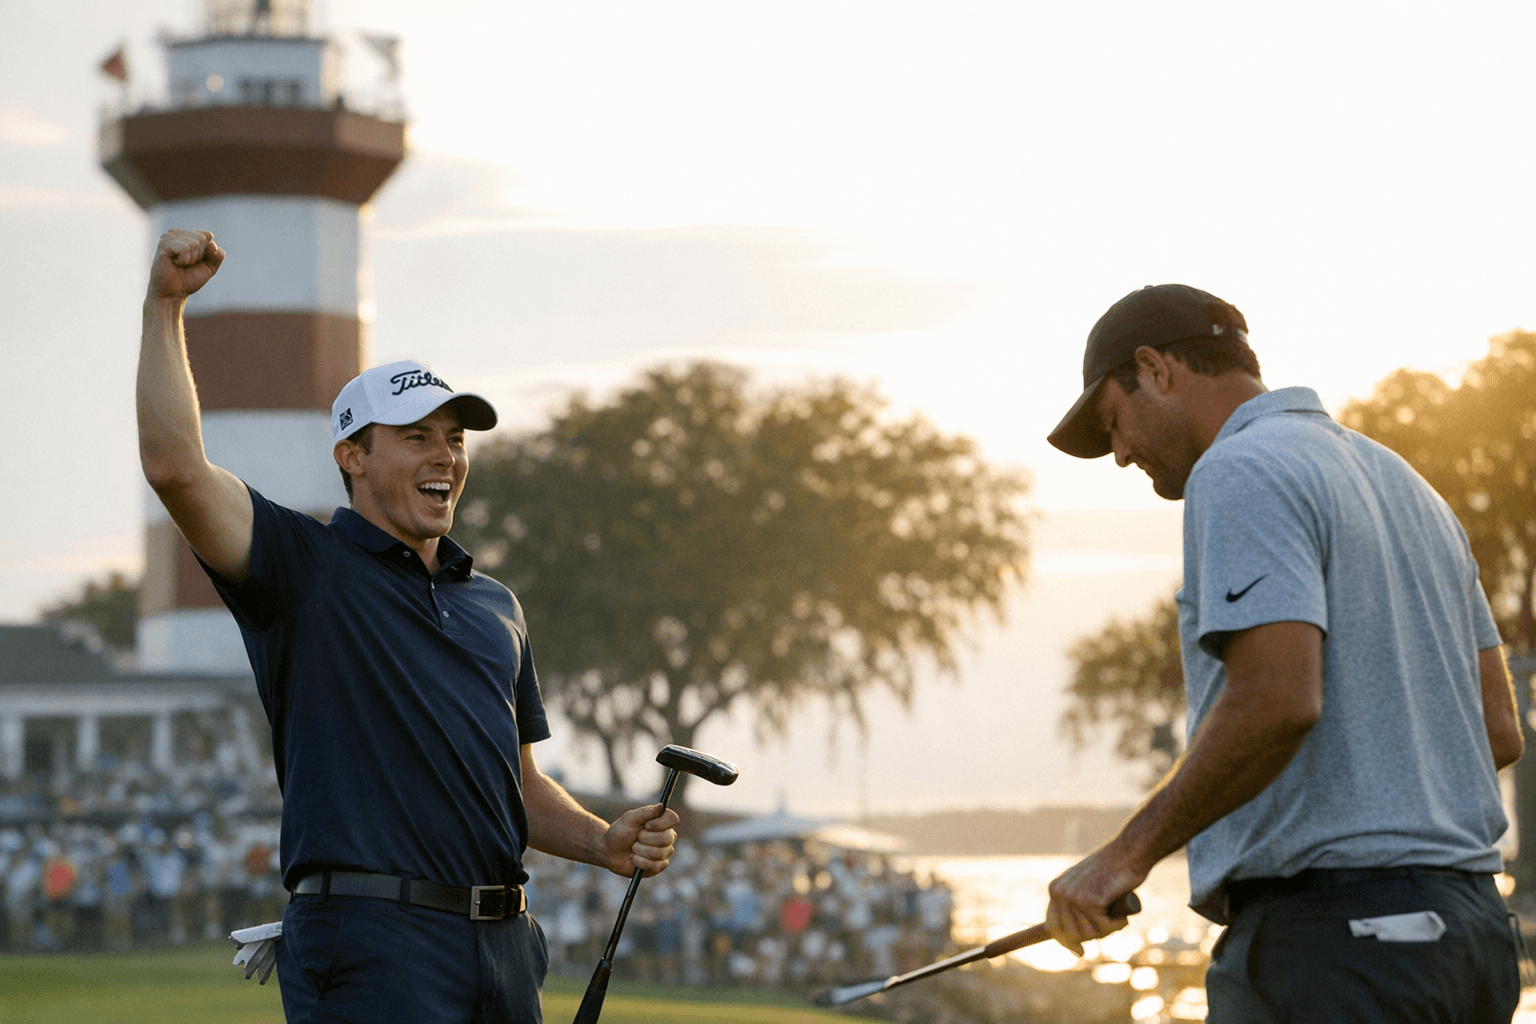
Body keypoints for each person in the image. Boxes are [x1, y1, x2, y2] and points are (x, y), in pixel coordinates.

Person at [138, 229, 680, 1024]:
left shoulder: (495, 604)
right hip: (369, 942)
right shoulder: (305, 567)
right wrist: (165, 305)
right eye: (417, 436)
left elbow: (517, 786)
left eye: (456, 439)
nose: (446, 456)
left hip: (504, 946)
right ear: (352, 456)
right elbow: (175, 466)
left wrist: (602, 842)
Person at [1042, 284, 1525, 1022]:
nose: (1121, 453)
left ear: (1156, 369)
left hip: (1335, 948)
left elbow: (1276, 699)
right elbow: (1495, 728)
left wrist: (1123, 856)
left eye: (1115, 421)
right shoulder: (1412, 487)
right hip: (1470, 937)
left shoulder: (1239, 470)